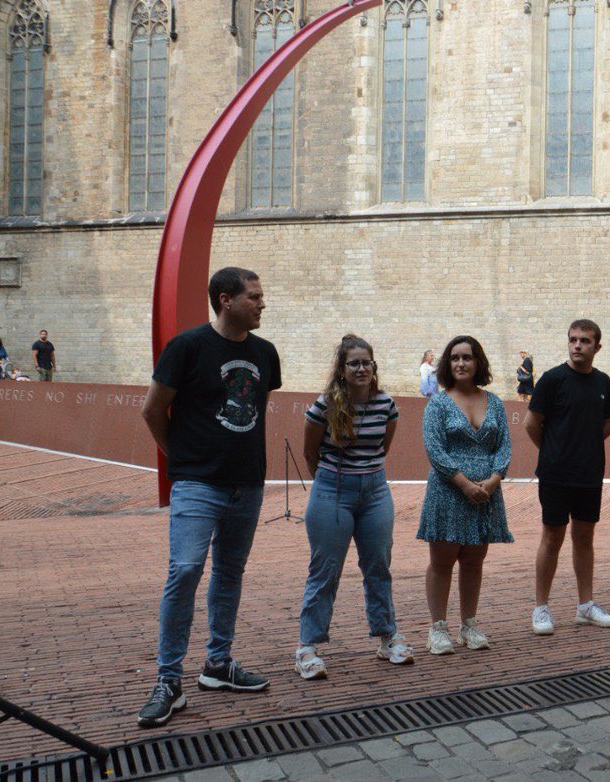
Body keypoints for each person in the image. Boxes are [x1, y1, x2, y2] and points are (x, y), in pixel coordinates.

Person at [137, 267, 281, 728]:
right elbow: (152, 408)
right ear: (225, 299)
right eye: (254, 297)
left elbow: (258, 413)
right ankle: (168, 679)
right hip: (198, 483)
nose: (262, 304)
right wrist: (180, 458)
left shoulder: (265, 353)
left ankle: (218, 665)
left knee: (230, 572)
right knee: (185, 570)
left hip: (248, 483)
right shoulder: (188, 347)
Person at [294, 334, 410, 681]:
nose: (361, 368)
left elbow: (382, 447)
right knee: (325, 569)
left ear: (374, 367)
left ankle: (387, 637)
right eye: (354, 363)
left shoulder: (386, 404)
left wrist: (362, 475)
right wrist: (331, 482)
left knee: (379, 565)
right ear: (342, 369)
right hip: (332, 490)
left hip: (375, 491)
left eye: (366, 363)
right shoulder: (325, 404)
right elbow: (309, 452)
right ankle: (307, 648)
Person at [418, 335, 513, 654]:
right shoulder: (438, 403)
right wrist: (464, 483)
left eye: (467, 357)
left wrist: (494, 479)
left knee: (474, 560)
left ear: (478, 363)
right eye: (455, 358)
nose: (461, 363)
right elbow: (434, 449)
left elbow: (504, 446)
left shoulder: (495, 402)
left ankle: (469, 625)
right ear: (448, 364)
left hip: (486, 493)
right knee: (442, 561)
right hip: (448, 492)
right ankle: (438, 629)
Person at [527, 319, 610, 635]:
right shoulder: (552, 380)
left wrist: (582, 450)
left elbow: (606, 426)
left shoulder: (603, 383)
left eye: (585, 340)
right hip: (555, 474)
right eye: (573, 340)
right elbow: (531, 424)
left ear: (597, 347)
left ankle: (585, 606)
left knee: (584, 538)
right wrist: (553, 451)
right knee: (552, 537)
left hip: (590, 474)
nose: (578, 345)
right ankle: (541, 608)